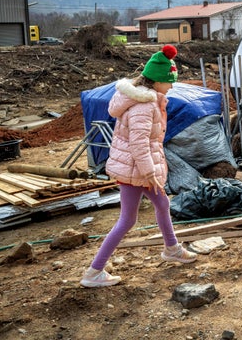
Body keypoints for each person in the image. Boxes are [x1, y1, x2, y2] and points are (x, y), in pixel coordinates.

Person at [81, 44, 197, 288]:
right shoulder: (144, 106)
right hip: (136, 169)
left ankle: (172, 248)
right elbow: (138, 143)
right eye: (170, 81)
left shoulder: (144, 99)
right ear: (157, 81)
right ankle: (94, 272)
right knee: (127, 220)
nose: (172, 86)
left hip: (136, 167)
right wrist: (150, 172)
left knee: (162, 203)